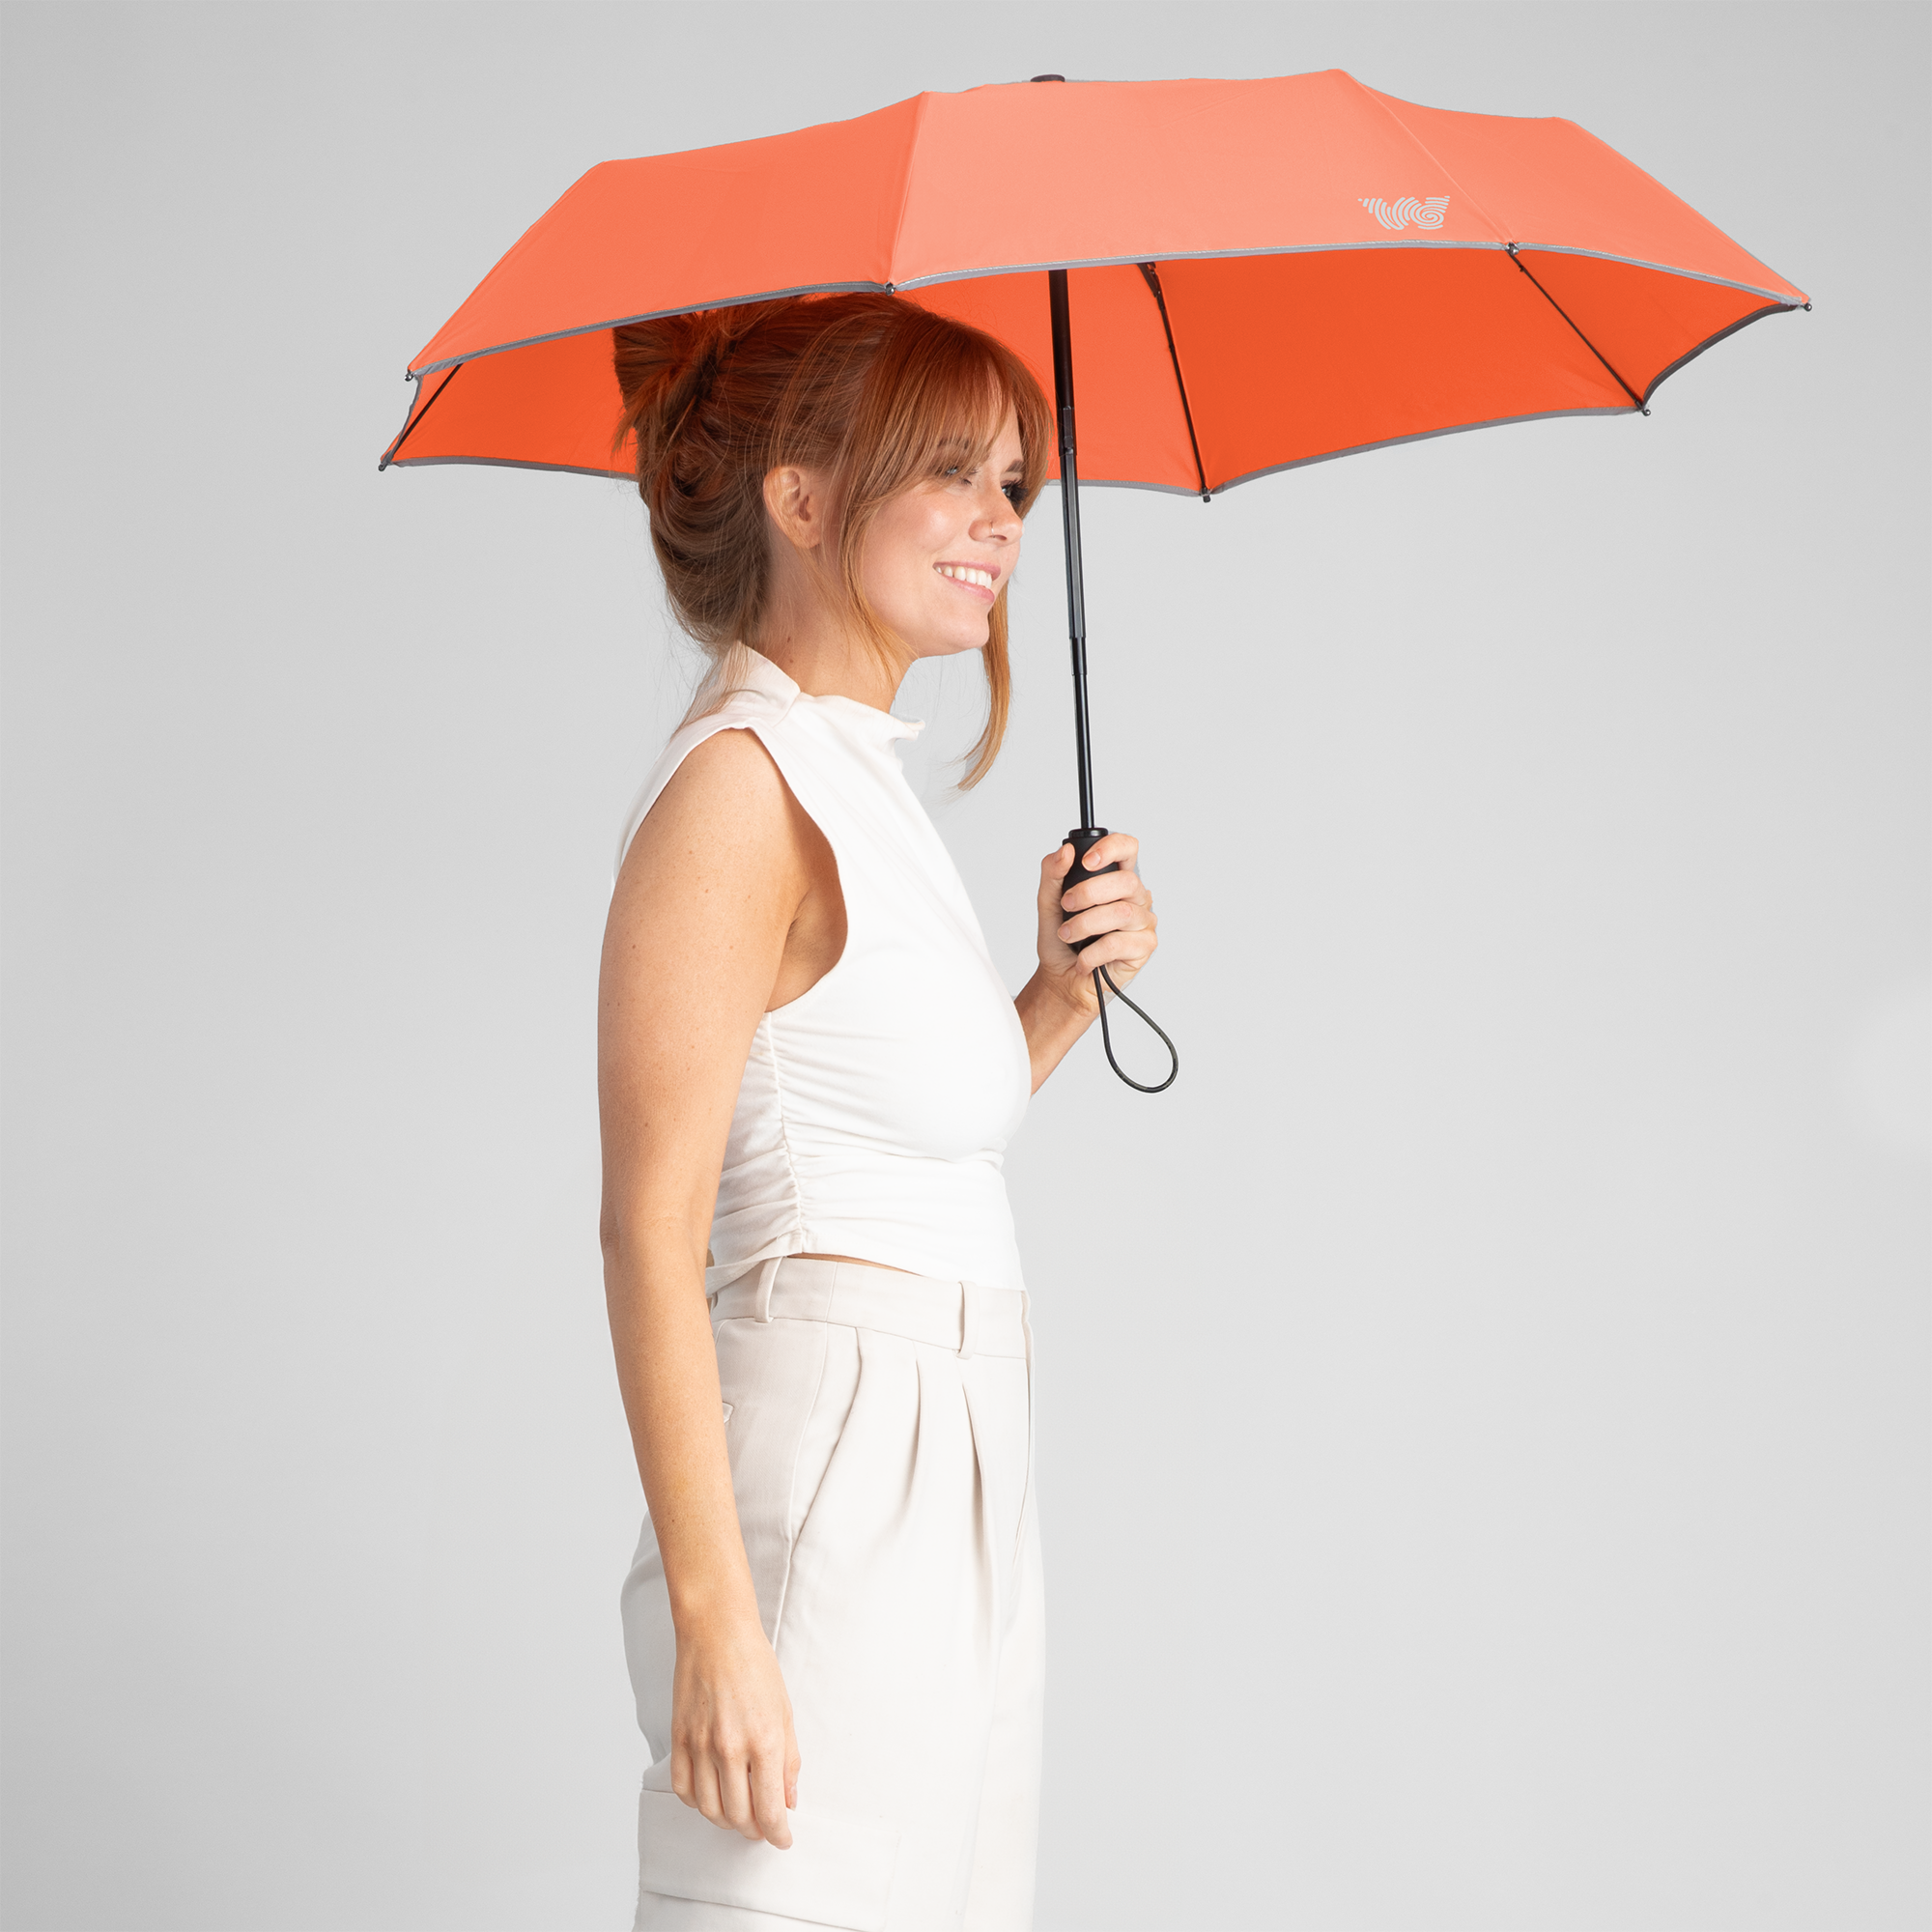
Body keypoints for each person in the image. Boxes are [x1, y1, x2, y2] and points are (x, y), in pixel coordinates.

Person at [599, 293, 1158, 1931]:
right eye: (953, 473)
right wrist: (719, 1618)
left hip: (965, 1452)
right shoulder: (739, 785)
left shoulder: (860, 775)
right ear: (800, 496)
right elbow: (649, 1229)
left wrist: (1058, 997)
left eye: (1015, 482)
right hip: (833, 1463)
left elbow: (888, 1138)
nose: (1002, 522)